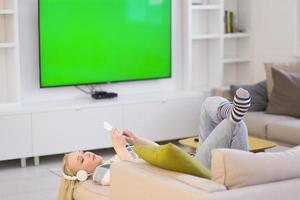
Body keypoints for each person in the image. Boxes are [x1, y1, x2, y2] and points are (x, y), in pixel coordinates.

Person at [58, 88, 250, 200]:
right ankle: (235, 124)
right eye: (82, 160)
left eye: (83, 152)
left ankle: (230, 111)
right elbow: (133, 175)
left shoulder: (112, 161)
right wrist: (120, 148)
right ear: (82, 174)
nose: (87, 154)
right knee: (233, 125)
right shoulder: (102, 175)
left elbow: (158, 152)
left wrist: (136, 140)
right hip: (197, 168)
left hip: (191, 160)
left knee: (209, 103)